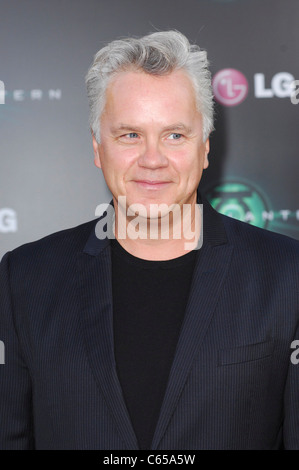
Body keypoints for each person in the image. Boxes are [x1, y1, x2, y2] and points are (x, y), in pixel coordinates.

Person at [0, 30, 299, 451]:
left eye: (175, 135)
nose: (153, 159)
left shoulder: (287, 276)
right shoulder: (24, 279)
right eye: (130, 135)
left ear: (205, 147)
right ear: (97, 147)